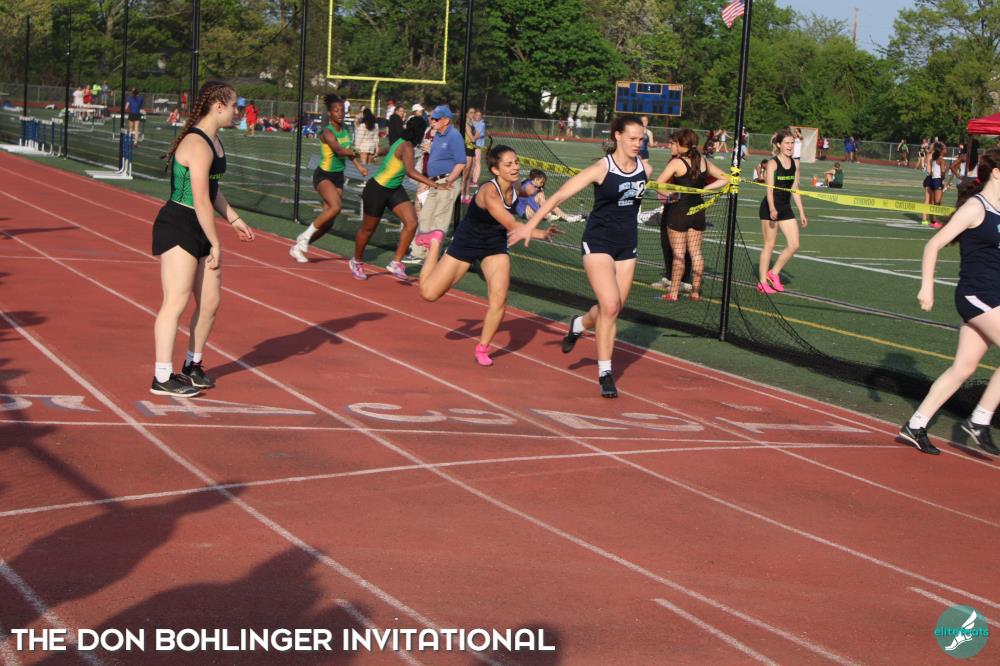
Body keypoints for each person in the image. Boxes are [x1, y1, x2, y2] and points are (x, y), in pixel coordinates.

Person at [510, 115, 651, 398]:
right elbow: (558, 196)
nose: (638, 143)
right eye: (633, 138)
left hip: (627, 245)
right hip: (598, 242)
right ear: (617, 136)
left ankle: (579, 324)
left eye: (641, 139)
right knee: (609, 305)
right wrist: (529, 225)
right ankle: (605, 373)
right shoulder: (601, 168)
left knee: (613, 308)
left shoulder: (645, 169)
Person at [151, 80, 255, 397]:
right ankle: (161, 376)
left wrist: (234, 218)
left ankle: (192, 365)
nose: (238, 112)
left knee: (209, 302)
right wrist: (217, 243)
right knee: (176, 301)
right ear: (218, 107)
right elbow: (199, 200)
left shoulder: (215, 140)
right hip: (179, 223)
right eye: (234, 106)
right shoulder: (197, 143)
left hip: (200, 224)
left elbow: (212, 189)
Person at [414, 145, 559, 366]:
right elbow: (511, 224)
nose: (515, 167)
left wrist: (546, 201)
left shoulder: (517, 185)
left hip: (495, 244)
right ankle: (435, 242)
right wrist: (540, 233)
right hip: (468, 242)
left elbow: (527, 195)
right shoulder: (489, 193)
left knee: (499, 298)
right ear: (495, 170)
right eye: (508, 164)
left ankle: (482, 347)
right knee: (429, 294)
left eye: (516, 162)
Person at [898, 148, 1000, 456]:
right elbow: (933, 245)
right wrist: (927, 287)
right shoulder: (975, 207)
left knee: (963, 367)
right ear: (996, 173)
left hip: (993, 296)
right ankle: (979, 420)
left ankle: (916, 425)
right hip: (977, 295)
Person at [350, 117, 450, 281]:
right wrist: (435, 184)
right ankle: (356, 261)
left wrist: (379, 152)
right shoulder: (407, 146)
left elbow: (390, 149)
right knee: (368, 229)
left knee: (411, 223)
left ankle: (396, 263)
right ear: (419, 131)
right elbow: (410, 171)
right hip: (377, 189)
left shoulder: (401, 141)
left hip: (394, 189)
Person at [289, 94, 367, 263]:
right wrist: (359, 151)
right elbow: (339, 150)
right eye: (336, 110)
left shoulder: (345, 130)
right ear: (330, 114)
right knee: (336, 206)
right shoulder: (327, 132)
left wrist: (359, 166)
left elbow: (348, 151)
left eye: (342, 110)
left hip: (338, 177)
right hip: (323, 175)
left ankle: (299, 246)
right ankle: (304, 236)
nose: (340, 113)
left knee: (329, 222)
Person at [655, 129, 729, 302]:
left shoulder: (677, 162)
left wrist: (669, 195)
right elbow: (726, 178)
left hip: (679, 212)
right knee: (696, 253)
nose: (672, 145)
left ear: (682, 144)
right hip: (698, 212)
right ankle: (695, 291)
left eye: (675, 143)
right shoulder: (703, 161)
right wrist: (704, 189)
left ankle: (673, 293)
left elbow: (658, 184)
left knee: (678, 255)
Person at [403, 105, 466, 264]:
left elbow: (461, 162)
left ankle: (432, 255)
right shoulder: (437, 135)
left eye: (436, 119)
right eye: (432, 118)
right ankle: (418, 252)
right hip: (434, 181)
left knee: (440, 219)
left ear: (446, 120)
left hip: (447, 181)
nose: (433, 121)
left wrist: (449, 180)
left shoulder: (454, 136)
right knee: (425, 216)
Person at [758, 129, 807, 294]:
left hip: (785, 207)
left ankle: (773, 273)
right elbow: (769, 189)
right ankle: (762, 282)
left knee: (794, 244)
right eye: (787, 143)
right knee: (769, 245)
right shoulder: (772, 163)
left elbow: (794, 189)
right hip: (770, 207)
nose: (790, 146)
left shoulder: (795, 163)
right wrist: (772, 208)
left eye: (792, 143)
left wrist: (802, 212)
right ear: (779, 144)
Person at [515, 169, 582, 223]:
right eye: (541, 182)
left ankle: (568, 218)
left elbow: (542, 200)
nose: (542, 184)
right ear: (536, 179)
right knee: (540, 196)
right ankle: (548, 216)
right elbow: (531, 202)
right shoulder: (527, 187)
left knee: (550, 202)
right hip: (525, 212)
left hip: (533, 211)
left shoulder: (535, 186)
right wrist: (543, 213)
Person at [923, 142, 946, 228]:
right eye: (944, 149)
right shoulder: (941, 159)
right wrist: (942, 180)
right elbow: (942, 172)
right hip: (937, 180)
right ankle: (934, 221)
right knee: (937, 202)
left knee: (932, 202)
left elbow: (931, 171)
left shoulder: (932, 159)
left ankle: (932, 220)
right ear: (941, 151)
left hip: (932, 180)